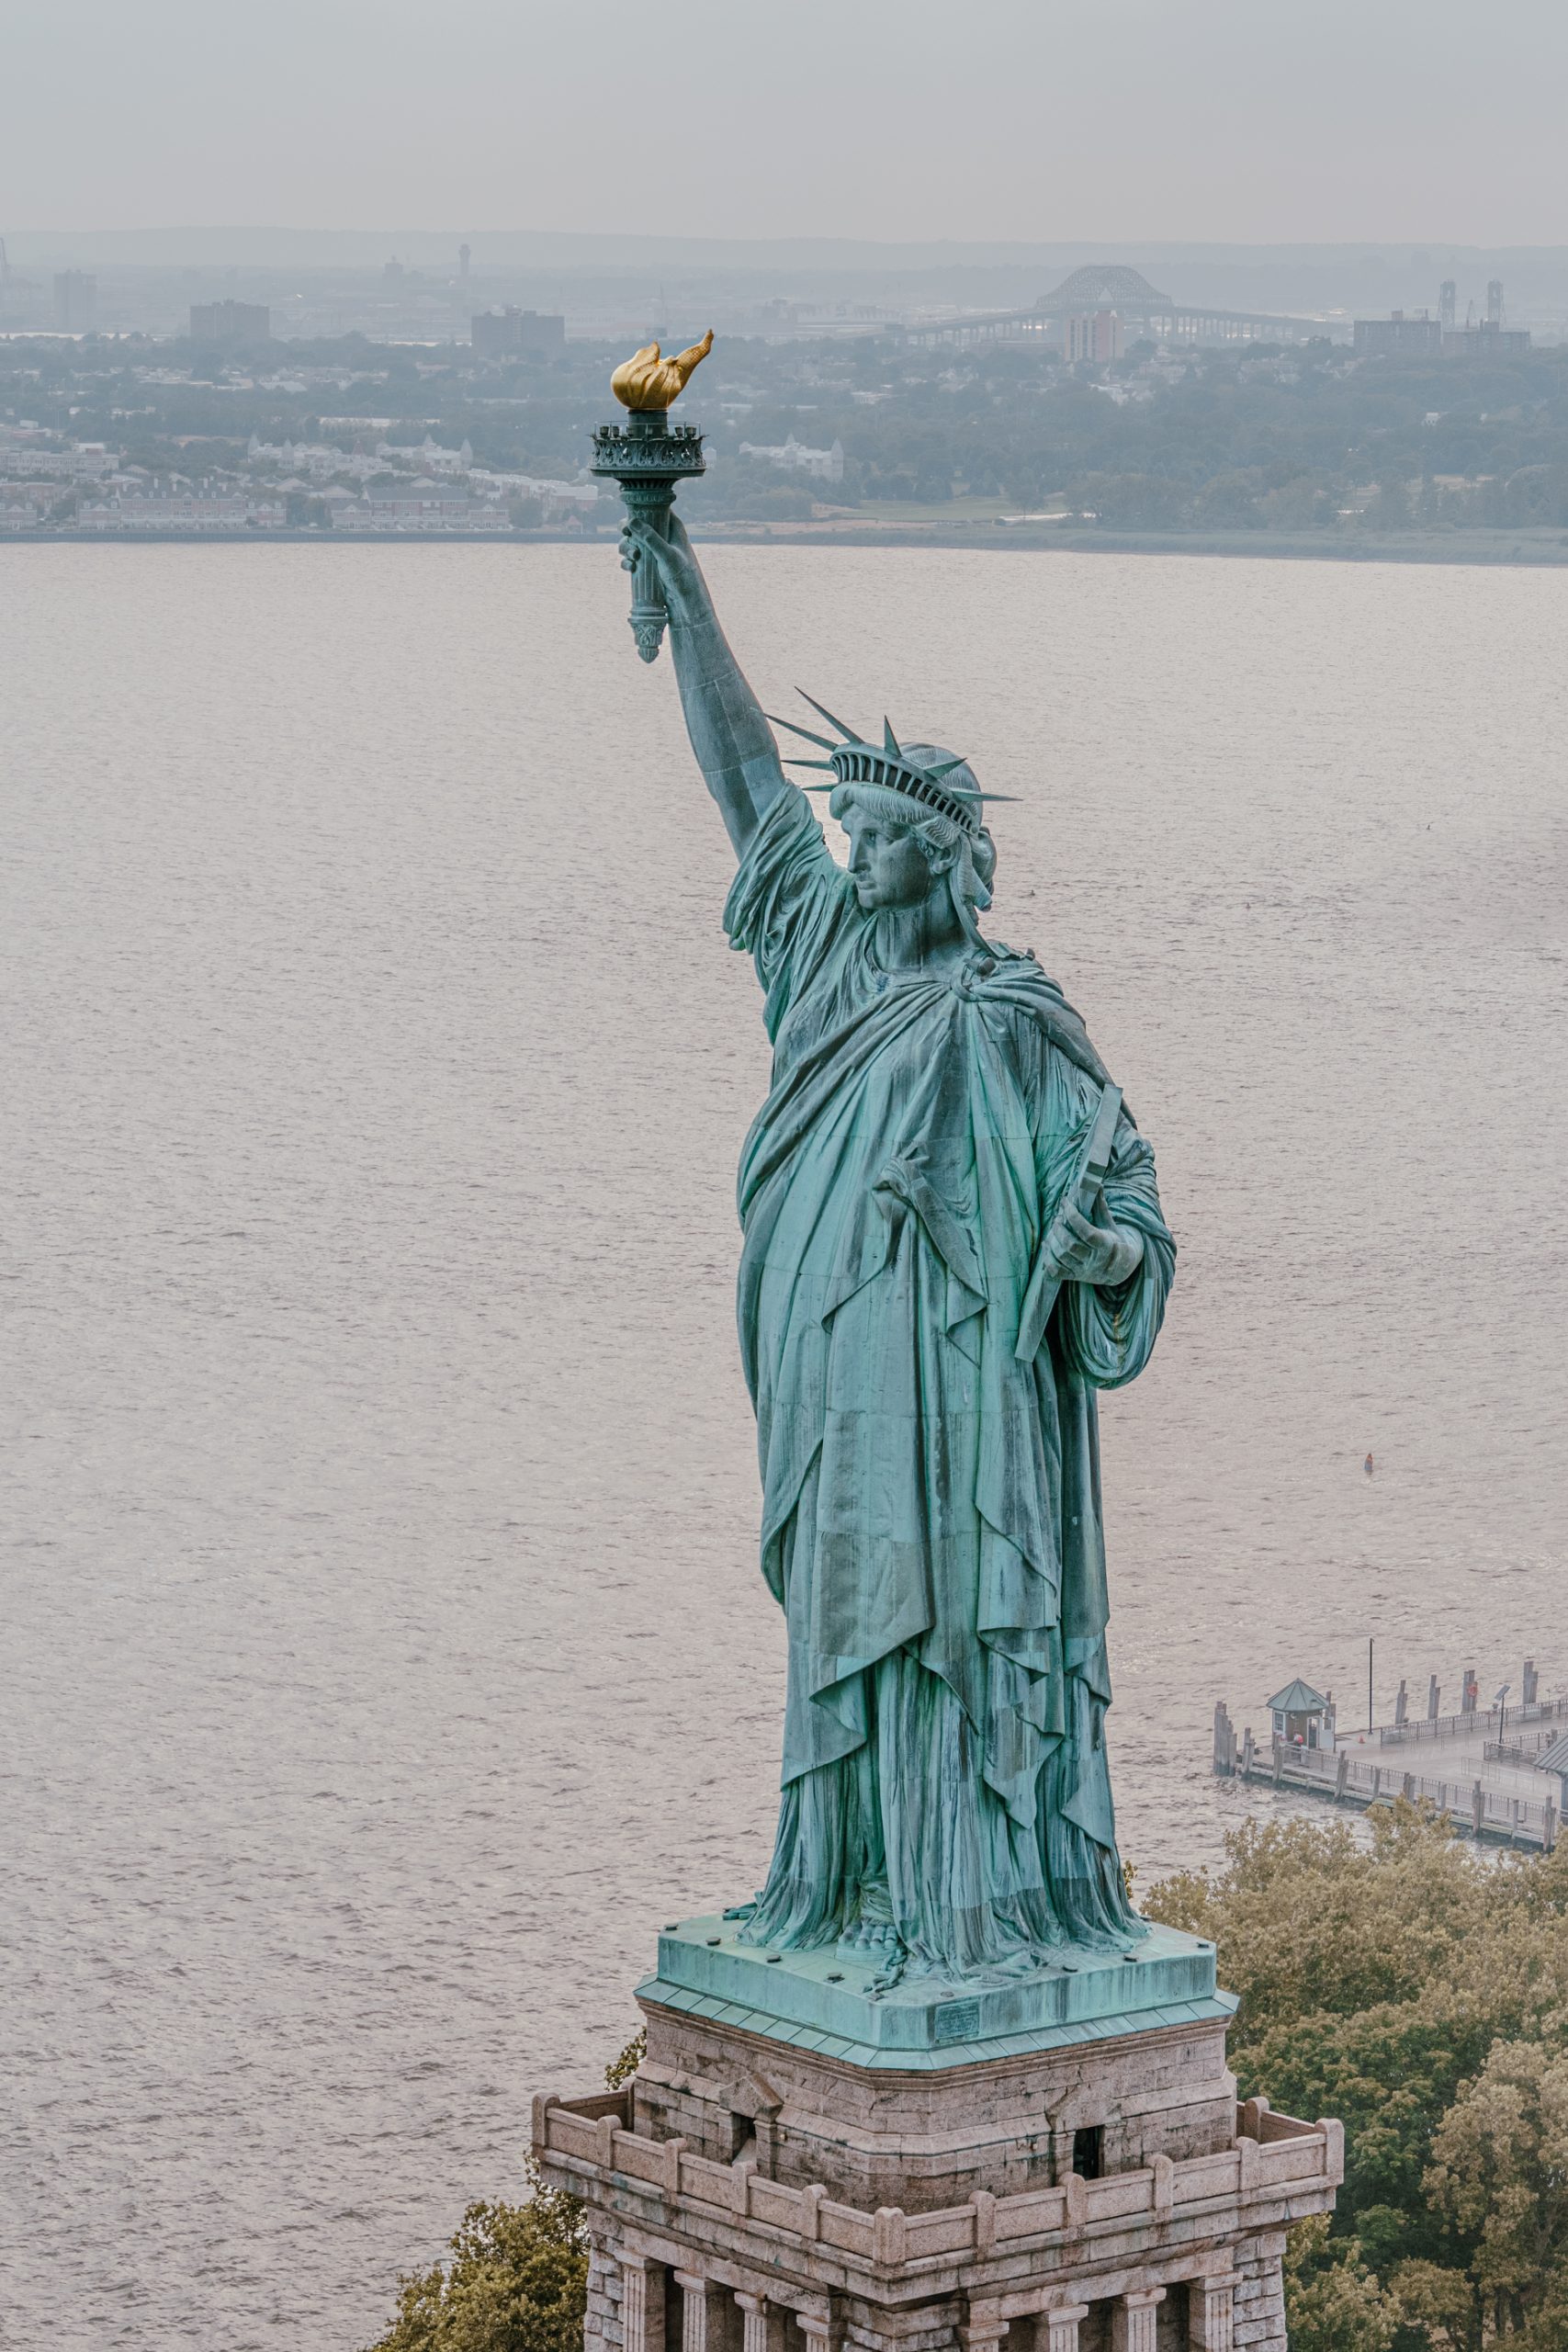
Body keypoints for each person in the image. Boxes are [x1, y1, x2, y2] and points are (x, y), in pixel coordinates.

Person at [624, 515, 1176, 1978]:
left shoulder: (1016, 1018)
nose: (850, 853)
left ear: (944, 861)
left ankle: (966, 1903)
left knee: (964, 1625)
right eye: (850, 834)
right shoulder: (818, 953)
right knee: (848, 1607)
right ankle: (848, 1884)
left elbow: (1126, 1198)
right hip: (837, 1365)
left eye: (878, 837)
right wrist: (683, 586)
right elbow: (748, 783)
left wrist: (1109, 1259)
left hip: (972, 1387)